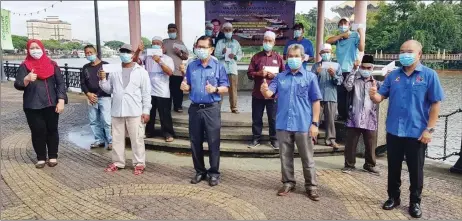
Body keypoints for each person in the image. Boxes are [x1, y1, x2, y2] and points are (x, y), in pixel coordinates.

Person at [369, 40, 444, 218]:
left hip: (417, 132)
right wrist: (374, 95)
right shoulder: (393, 75)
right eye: (402, 51)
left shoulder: (429, 75)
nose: (405, 54)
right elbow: (380, 97)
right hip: (394, 130)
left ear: (419, 54)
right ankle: (393, 197)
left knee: (415, 170)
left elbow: (435, 104)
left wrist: (429, 130)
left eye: (409, 51)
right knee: (393, 167)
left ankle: (415, 202)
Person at [260, 44, 322, 201]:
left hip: (303, 124)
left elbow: (316, 101)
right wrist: (264, 90)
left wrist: (314, 124)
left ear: (302, 58)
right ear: (286, 58)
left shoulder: (310, 77)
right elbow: (269, 94)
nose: (293, 59)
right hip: (283, 124)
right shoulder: (280, 77)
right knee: (285, 156)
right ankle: (288, 182)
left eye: (296, 56)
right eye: (290, 56)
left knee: (307, 158)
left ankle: (311, 186)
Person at [181, 36, 229, 186]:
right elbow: (187, 84)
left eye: (203, 47)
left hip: (211, 109)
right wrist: (185, 87)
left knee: (213, 142)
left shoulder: (218, 66)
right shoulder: (192, 65)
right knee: (195, 142)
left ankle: (214, 173)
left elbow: (225, 88)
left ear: (211, 49)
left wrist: (214, 89)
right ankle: (200, 171)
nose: (200, 50)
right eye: (198, 47)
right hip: (195, 108)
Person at [99, 44, 152, 175]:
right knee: (117, 138)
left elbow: (146, 93)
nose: (124, 54)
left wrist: (146, 110)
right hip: (117, 110)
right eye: (122, 51)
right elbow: (109, 89)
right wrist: (102, 79)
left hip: (135, 110)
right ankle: (118, 162)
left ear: (133, 54)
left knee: (137, 138)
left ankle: (139, 163)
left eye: (128, 51)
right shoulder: (114, 70)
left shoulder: (141, 72)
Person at [14, 39, 67, 168]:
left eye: (37, 47)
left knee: (52, 130)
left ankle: (53, 156)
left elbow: (60, 83)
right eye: (32, 48)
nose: (35, 50)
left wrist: (61, 100)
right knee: (38, 131)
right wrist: (26, 79)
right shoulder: (25, 65)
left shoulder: (52, 64)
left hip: (51, 103)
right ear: (28, 50)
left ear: (42, 48)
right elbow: (18, 84)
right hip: (32, 105)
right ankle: (41, 158)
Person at [342, 55, 380, 174]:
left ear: (372, 68)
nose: (365, 70)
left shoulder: (376, 83)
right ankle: (349, 164)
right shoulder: (355, 80)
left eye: (368, 68)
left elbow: (383, 94)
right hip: (354, 116)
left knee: (370, 143)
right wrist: (354, 69)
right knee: (351, 143)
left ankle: (370, 164)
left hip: (370, 117)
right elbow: (347, 86)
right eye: (363, 67)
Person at [247, 31, 284, 149]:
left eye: (270, 41)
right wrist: (258, 73)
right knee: (256, 117)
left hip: (273, 95)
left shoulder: (278, 58)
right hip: (258, 94)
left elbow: (284, 75)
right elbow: (249, 73)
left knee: (273, 118)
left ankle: (274, 139)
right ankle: (256, 138)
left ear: (274, 43)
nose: (267, 43)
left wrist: (275, 76)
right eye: (265, 40)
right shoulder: (256, 57)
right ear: (263, 41)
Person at [326, 17, 365, 121]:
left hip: (351, 68)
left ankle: (349, 116)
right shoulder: (338, 38)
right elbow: (328, 41)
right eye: (341, 23)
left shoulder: (354, 35)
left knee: (350, 94)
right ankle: (342, 115)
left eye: (345, 23)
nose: (343, 25)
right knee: (340, 94)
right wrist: (341, 35)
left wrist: (361, 32)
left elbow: (361, 48)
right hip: (339, 69)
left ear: (349, 25)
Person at [140, 36, 176, 142]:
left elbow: (170, 72)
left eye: (157, 43)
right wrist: (139, 50)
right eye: (153, 43)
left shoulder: (167, 59)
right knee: (150, 112)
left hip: (162, 91)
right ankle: (149, 132)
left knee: (165, 114)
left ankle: (168, 133)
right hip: (149, 90)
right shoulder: (147, 57)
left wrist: (159, 61)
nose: (155, 45)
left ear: (162, 47)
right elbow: (135, 60)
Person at [311, 43, 343, 150]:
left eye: (327, 52)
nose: (326, 54)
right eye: (324, 52)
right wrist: (316, 73)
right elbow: (310, 81)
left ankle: (330, 140)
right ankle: (312, 138)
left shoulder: (337, 66)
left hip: (331, 96)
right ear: (320, 54)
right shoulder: (316, 66)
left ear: (331, 53)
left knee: (330, 120)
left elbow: (339, 82)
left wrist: (334, 75)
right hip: (317, 96)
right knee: (315, 118)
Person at [81, 45, 112, 150]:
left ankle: (111, 140)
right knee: (94, 120)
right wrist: (88, 94)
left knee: (107, 120)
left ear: (96, 53)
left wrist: (97, 94)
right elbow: (83, 83)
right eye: (87, 53)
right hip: (91, 97)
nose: (89, 54)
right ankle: (99, 140)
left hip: (104, 96)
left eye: (91, 52)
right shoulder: (85, 67)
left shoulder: (105, 65)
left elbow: (109, 83)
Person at [214, 22, 243, 114]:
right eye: (226, 30)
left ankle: (234, 107)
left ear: (232, 31)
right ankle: (217, 107)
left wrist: (234, 56)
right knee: (221, 89)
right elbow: (216, 55)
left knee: (233, 89)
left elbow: (240, 54)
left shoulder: (236, 43)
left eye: (229, 30)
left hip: (232, 69)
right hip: (222, 69)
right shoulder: (219, 42)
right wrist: (223, 52)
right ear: (223, 31)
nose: (228, 32)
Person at [163, 23, 189, 113]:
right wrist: (162, 51)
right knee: (167, 89)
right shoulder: (164, 42)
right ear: (167, 32)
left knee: (178, 90)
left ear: (176, 31)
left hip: (177, 71)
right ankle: (167, 107)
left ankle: (178, 106)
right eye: (170, 31)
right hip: (166, 71)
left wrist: (179, 53)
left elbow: (186, 57)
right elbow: (158, 54)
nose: (171, 32)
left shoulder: (180, 43)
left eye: (173, 31)